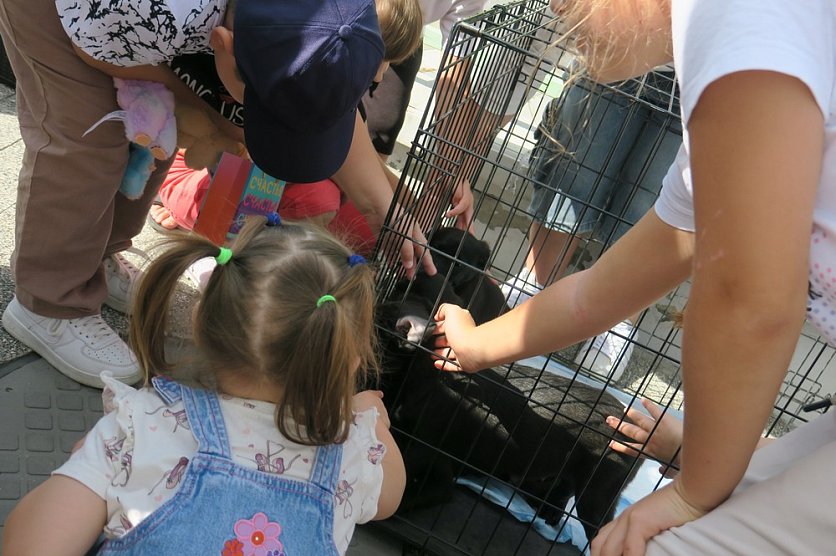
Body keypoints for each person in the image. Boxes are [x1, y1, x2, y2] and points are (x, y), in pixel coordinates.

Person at [432, 0, 835, 553]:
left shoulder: (731, 19)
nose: (553, 10)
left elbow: (751, 304)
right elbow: (596, 293)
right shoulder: (725, 91)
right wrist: (475, 346)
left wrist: (692, 492)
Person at [0, 0, 433, 390]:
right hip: (71, 16)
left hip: (141, 29)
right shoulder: (153, 15)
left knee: (157, 132)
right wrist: (216, 114)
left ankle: (97, 256)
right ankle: (50, 301)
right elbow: (95, 51)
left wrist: (384, 206)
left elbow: (321, 106)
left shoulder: (326, 17)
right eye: (261, 104)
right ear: (223, 45)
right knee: (89, 139)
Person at [1, 215, 406, 555]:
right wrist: (369, 421)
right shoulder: (351, 453)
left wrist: (93, 464)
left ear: (199, 321)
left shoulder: (145, 423)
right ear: (349, 359)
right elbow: (390, 497)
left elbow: (31, 547)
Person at [147, 0, 426, 260]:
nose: (379, 76)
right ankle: (179, 198)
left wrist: (398, 209)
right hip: (198, 154)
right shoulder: (170, 18)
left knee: (339, 213)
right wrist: (226, 123)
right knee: (314, 198)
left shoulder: (324, 71)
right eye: (379, 59)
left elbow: (362, 153)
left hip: (246, 159)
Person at [501, 68, 681, 381]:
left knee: (654, 196)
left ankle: (617, 319)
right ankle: (534, 284)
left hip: (700, 73)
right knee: (577, 167)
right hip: (627, 50)